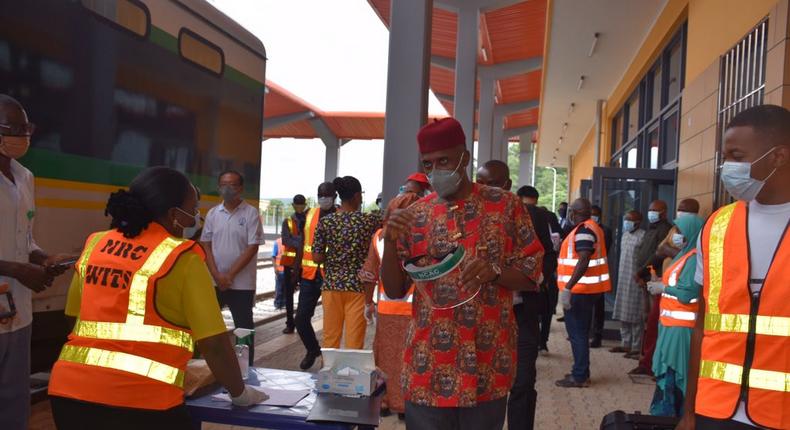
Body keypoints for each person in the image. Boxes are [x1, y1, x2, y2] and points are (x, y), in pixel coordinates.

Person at [48, 167, 266, 429]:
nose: (194, 219)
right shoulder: (183, 257)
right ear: (174, 215)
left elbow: (73, 319)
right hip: (143, 401)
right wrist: (240, 394)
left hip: (69, 393)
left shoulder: (95, 244)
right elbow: (214, 344)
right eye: (192, 210)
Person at [380, 118, 544, 430]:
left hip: (487, 362)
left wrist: (494, 272)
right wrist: (389, 242)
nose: (435, 170)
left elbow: (532, 274)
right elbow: (394, 289)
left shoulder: (505, 206)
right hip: (427, 365)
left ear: (465, 158)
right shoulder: (416, 215)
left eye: (444, 160)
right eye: (428, 163)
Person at [677, 105, 790, 430]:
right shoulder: (717, 226)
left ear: (778, 156)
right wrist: (689, 412)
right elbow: (701, 325)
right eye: (725, 156)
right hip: (715, 410)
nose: (726, 167)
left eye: (737, 155)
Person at [0, 94, 74, 430]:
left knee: (14, 400)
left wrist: (44, 258)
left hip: (18, 311)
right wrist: (16, 269)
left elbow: (24, 237)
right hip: (11, 289)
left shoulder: (25, 176)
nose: (22, 135)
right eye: (13, 128)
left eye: (25, 127)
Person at [478, 161, 551, 430]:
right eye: (480, 182)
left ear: (507, 187)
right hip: (484, 315)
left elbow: (546, 261)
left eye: (492, 184)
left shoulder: (531, 216)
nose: (484, 189)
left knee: (522, 382)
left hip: (522, 313)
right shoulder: (467, 217)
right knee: (484, 383)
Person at [360, 192, 420, 420]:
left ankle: (385, 401)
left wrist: (368, 303)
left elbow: (369, 274)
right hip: (415, 312)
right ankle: (407, 404)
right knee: (411, 360)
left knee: (385, 358)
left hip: (386, 310)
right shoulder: (421, 235)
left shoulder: (379, 236)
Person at [201, 171, 265, 366]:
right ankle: (207, 365)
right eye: (223, 184)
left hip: (242, 285)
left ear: (241, 188)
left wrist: (229, 275)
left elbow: (252, 246)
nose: (227, 188)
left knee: (244, 328)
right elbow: (206, 244)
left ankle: (245, 368)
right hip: (215, 282)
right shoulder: (213, 213)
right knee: (207, 326)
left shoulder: (250, 213)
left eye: (232, 184)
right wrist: (216, 275)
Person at [313, 176, 380, 351]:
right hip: (358, 287)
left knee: (330, 339)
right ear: (357, 196)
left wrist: (335, 255)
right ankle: (350, 376)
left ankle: (327, 375)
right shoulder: (369, 221)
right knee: (353, 343)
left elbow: (317, 257)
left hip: (331, 286)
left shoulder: (326, 222)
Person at [648, 213, 704, 417]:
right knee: (667, 380)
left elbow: (688, 293)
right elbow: (677, 283)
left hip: (681, 332)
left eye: (679, 231)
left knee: (675, 382)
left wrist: (662, 287)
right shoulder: (685, 255)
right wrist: (660, 282)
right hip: (670, 327)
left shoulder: (694, 259)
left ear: (691, 233)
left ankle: (670, 419)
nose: (675, 235)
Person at [555, 198, 612, 388]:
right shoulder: (592, 227)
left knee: (577, 334)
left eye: (571, 211)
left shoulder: (584, 231)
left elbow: (584, 258)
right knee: (581, 333)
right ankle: (582, 371)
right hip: (588, 290)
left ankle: (579, 376)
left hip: (580, 291)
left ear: (575, 212)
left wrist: (569, 287)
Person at [295, 183, 337, 369]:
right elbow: (302, 242)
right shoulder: (309, 214)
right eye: (320, 194)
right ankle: (312, 349)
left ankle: (328, 362)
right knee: (301, 319)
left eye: (327, 194)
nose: (323, 198)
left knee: (331, 323)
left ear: (334, 196)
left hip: (331, 276)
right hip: (309, 275)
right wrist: (296, 270)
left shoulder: (341, 215)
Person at [628, 199, 673, 376]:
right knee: (647, 319)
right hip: (646, 280)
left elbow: (657, 257)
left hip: (654, 280)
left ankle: (649, 361)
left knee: (652, 321)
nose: (651, 213)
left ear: (664, 212)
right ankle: (644, 357)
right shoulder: (651, 229)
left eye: (655, 210)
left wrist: (642, 274)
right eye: (650, 209)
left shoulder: (666, 230)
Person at [517, 186, 562, 354]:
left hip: (534, 288)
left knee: (527, 343)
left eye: (532, 206)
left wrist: (541, 275)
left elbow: (550, 250)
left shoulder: (543, 217)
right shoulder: (505, 215)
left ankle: (542, 342)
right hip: (505, 293)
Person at [610, 211, 647, 358]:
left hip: (635, 279)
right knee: (623, 313)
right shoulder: (625, 235)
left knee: (635, 314)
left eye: (630, 220)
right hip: (622, 278)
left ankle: (636, 346)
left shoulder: (643, 236)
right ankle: (625, 343)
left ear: (638, 222)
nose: (626, 223)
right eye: (625, 219)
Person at [280, 194, 308, 334]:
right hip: (289, 264)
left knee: (305, 295)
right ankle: (290, 323)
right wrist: (301, 242)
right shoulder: (288, 222)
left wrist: (296, 240)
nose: (299, 206)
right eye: (297, 204)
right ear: (293, 205)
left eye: (301, 204)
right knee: (289, 295)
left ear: (305, 204)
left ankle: (301, 322)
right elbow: (286, 240)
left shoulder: (309, 220)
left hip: (305, 264)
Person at [589, 204, 613, 348]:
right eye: (591, 214)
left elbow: (605, 249)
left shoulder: (605, 231)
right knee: (584, 306)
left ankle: (598, 336)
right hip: (584, 274)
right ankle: (585, 333)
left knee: (598, 307)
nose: (593, 216)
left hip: (598, 273)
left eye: (595, 214)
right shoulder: (584, 228)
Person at [271, 238, 285, 310]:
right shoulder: (278, 242)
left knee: (285, 289)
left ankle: (282, 303)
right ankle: (278, 304)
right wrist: (275, 268)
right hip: (280, 270)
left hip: (287, 271)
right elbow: (273, 256)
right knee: (279, 288)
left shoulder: (291, 242)